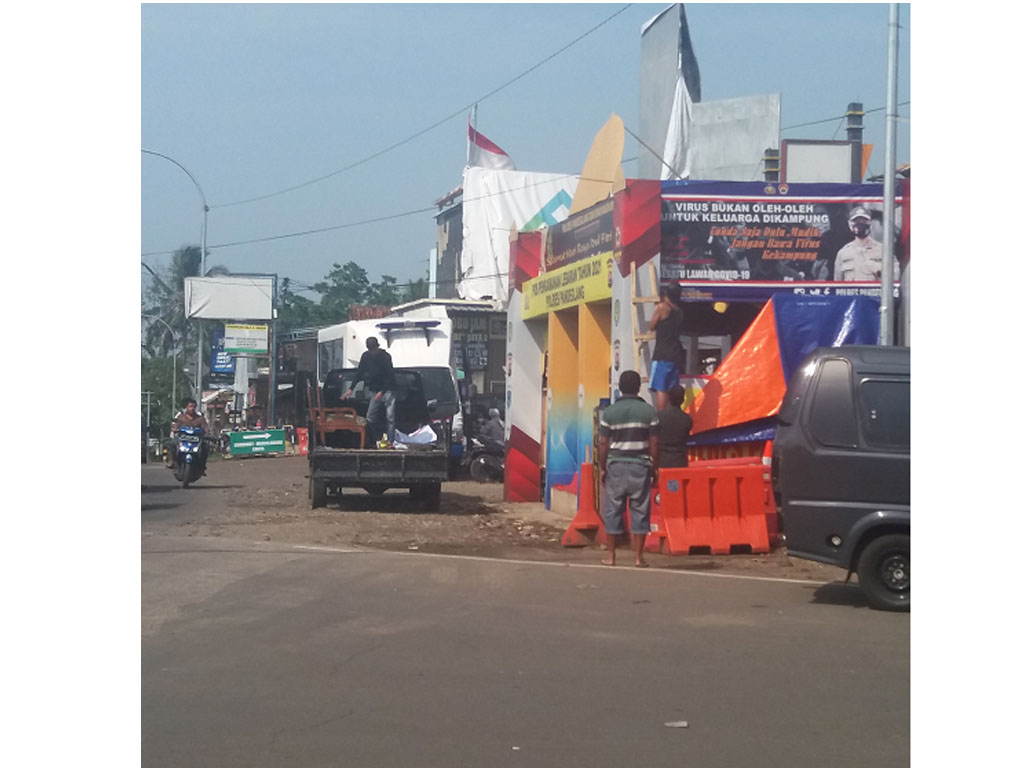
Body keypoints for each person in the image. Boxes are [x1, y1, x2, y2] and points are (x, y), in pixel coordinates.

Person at [597, 370, 660, 567]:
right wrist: (654, 466)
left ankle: (611, 557)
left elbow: (603, 443)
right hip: (640, 465)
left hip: (615, 465)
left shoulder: (610, 412)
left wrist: (602, 467)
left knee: (613, 509)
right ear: (638, 388)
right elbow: (655, 443)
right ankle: (638, 558)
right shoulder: (649, 411)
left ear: (620, 388)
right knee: (640, 509)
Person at [343, 336, 397, 445]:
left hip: (388, 390)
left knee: (390, 417)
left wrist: (381, 392)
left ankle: (390, 441)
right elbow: (359, 373)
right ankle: (374, 439)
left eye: (373, 349)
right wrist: (350, 389)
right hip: (374, 390)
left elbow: (391, 376)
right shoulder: (366, 357)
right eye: (370, 349)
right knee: (370, 417)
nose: (372, 352)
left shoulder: (385, 357)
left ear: (377, 347)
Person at [648, 282, 685, 411]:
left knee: (661, 388)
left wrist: (656, 310)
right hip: (675, 355)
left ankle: (662, 416)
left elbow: (652, 326)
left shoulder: (662, 308)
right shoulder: (679, 312)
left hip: (662, 354)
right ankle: (672, 413)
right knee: (671, 388)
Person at [836, 206, 883, 281]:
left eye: (864, 221)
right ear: (850, 224)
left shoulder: (883, 251)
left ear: (870, 223)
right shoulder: (843, 253)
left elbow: (894, 280)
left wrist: (879, 271)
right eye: (857, 222)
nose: (860, 224)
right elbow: (838, 285)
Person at [657, 385, 693, 468]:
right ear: (683, 400)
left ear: (668, 398)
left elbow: (655, 441)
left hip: (663, 462)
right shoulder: (687, 420)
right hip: (681, 462)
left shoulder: (660, 417)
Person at [171, 398, 210, 472]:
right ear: (186, 407)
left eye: (193, 407)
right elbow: (175, 426)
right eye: (190, 406)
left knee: (205, 448)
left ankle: (202, 466)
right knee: (172, 444)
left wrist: (207, 432)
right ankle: (172, 461)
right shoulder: (181, 418)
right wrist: (175, 429)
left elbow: (205, 428)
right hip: (182, 440)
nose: (192, 408)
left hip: (196, 441)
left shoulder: (200, 419)